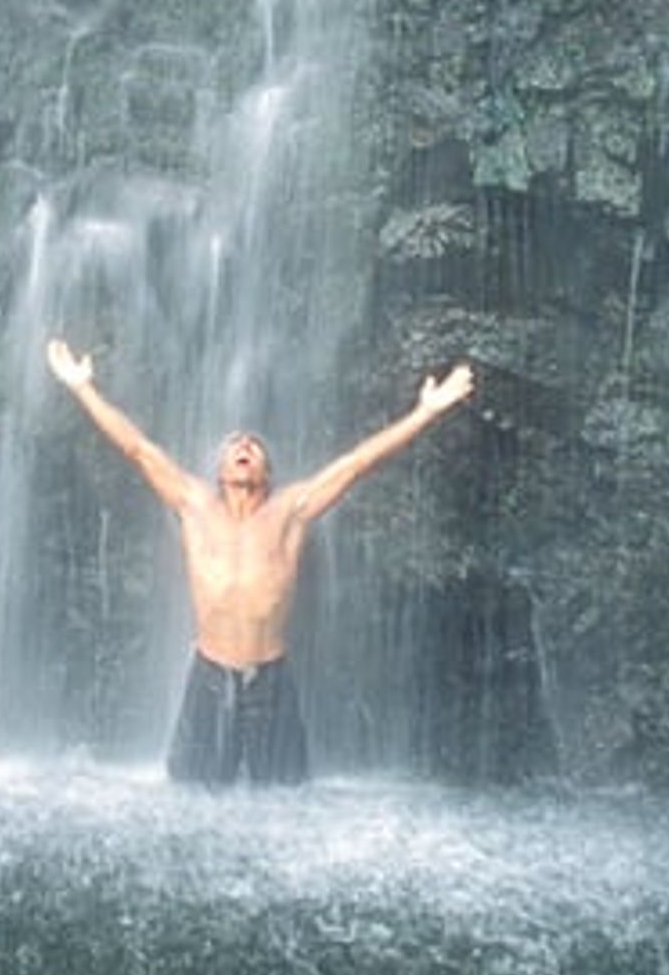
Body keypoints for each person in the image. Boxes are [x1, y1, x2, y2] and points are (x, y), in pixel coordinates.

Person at [46, 337, 475, 787]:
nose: (244, 445)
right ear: (221, 469)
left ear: (267, 472)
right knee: (191, 799)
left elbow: (357, 464)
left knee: (286, 801)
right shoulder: (194, 504)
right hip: (209, 677)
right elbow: (138, 449)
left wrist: (425, 412)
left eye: (254, 445)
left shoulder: (291, 509)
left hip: (271, 680)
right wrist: (82, 388)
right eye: (235, 444)